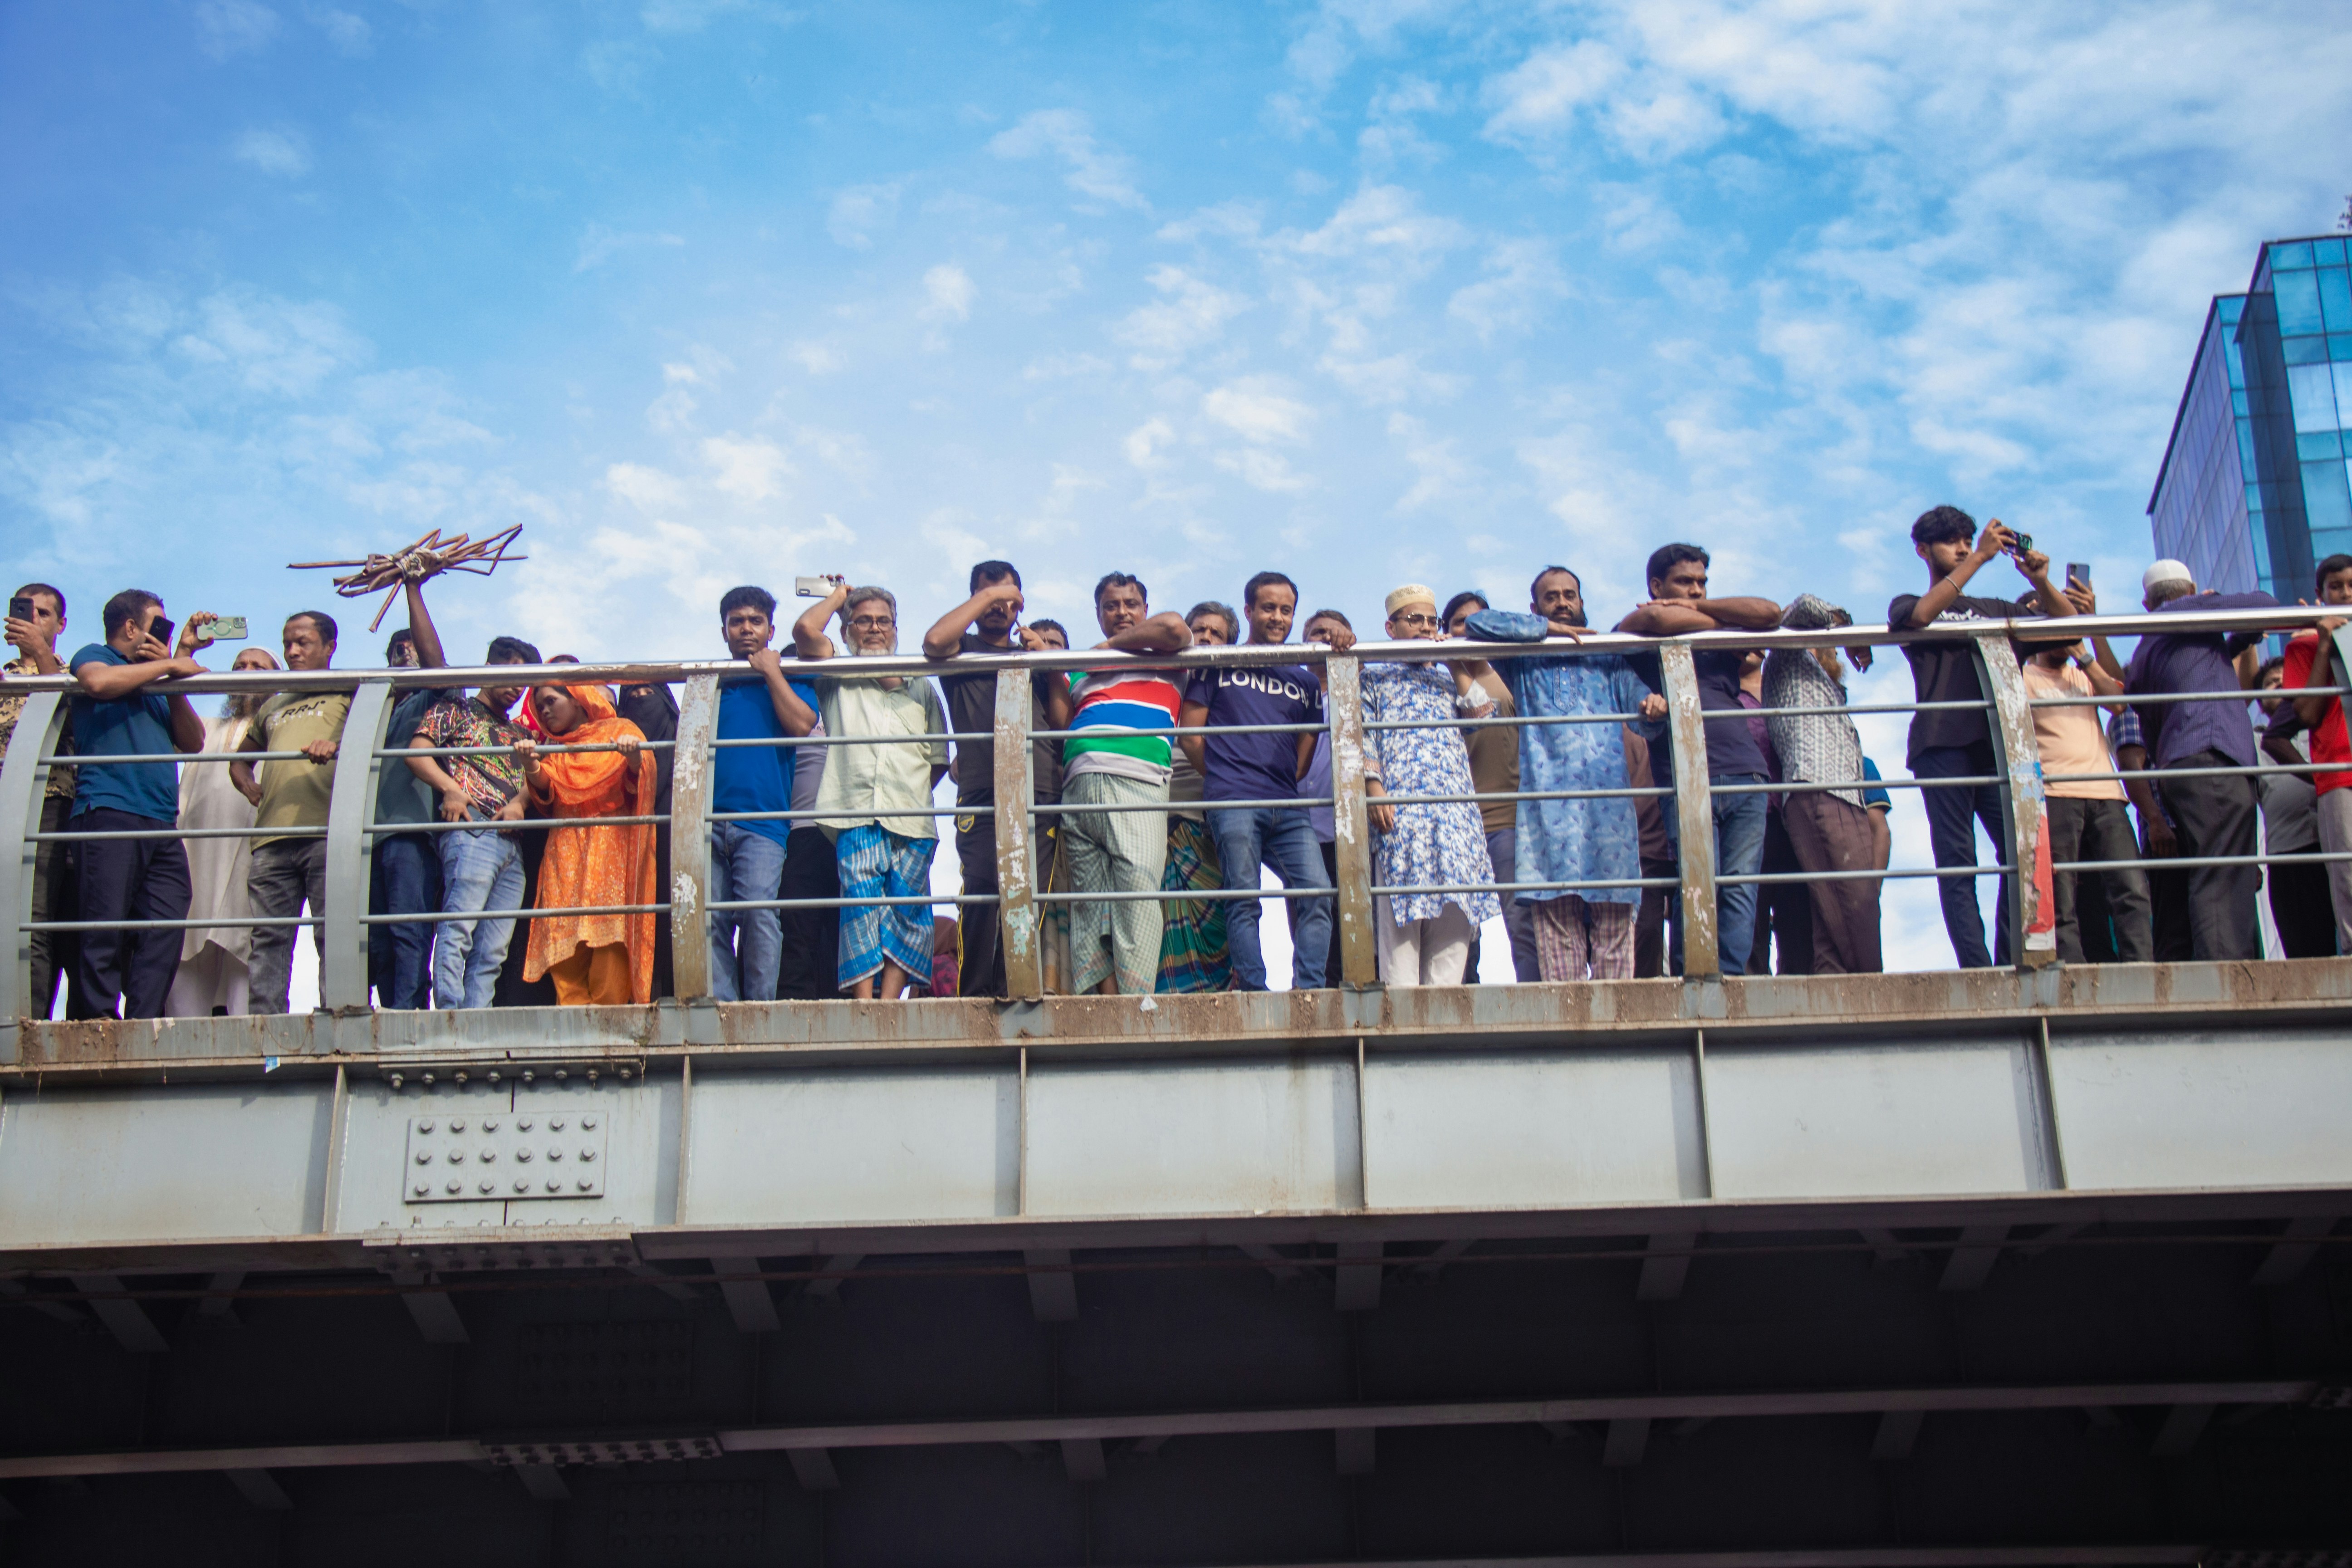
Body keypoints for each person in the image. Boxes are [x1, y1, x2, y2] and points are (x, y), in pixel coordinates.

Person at [1887, 507, 2077, 967]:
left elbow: (2070, 628)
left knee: (2023, 854)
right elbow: (1921, 617)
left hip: (1998, 748)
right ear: (1923, 550)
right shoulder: (1907, 603)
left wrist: (2041, 583)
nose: (1962, 548)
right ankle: (1977, 968)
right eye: (1951, 541)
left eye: (1968, 540)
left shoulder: (1994, 609)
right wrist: (1980, 559)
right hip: (1941, 745)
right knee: (1959, 861)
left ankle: (2010, 958)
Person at [1467, 569, 1665, 981]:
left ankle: (1613, 1025)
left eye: (1570, 595)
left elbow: (1643, 716)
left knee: (1615, 948)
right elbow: (1477, 624)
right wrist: (1547, 631)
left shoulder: (1607, 658)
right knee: (1560, 956)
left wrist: (1652, 707)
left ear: (1582, 601)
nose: (1563, 603)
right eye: (1551, 597)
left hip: (1608, 822)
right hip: (1548, 826)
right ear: (1535, 609)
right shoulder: (1524, 663)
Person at [1617, 544, 1783, 977]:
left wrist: (1699, 609)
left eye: (1702, 583)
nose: (1696, 590)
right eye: (1684, 583)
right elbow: (1657, 621)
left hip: (1746, 771)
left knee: (1741, 887)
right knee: (1697, 883)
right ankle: (1693, 977)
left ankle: (1728, 978)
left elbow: (1770, 613)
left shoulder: (1703, 614)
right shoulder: (1636, 625)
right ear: (1656, 587)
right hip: (1686, 774)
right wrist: (1726, 624)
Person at [1039, 572, 1194, 996]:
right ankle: (1109, 1005)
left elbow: (1174, 626)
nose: (1121, 612)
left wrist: (1109, 648)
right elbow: (1062, 724)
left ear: (1145, 609)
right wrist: (1055, 670)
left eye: (1131, 604)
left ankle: (1137, 1003)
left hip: (1138, 780)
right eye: (1111, 606)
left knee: (1138, 895)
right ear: (1098, 613)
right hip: (1080, 784)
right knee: (1092, 905)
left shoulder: (1168, 654)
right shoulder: (1081, 666)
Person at [795, 583, 949, 1000]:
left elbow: (938, 759)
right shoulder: (837, 675)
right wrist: (837, 597)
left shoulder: (921, 686)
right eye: (863, 621)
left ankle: (888, 1004)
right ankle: (864, 1003)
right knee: (861, 904)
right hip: (855, 810)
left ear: (896, 628)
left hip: (912, 816)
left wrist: (909, 795)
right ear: (847, 630)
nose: (875, 629)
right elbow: (805, 631)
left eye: (883, 621)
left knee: (908, 909)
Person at [2118, 560, 2276, 962]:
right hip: (2212, 756)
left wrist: (2236, 640)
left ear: (2146, 603)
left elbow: (2196, 669)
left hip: (2180, 767)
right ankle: (2227, 971)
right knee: (2223, 873)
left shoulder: (2146, 649)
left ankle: (2222, 965)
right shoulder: (2190, 609)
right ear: (2191, 589)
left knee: (2215, 867)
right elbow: (2265, 603)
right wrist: (2213, 601)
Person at [1181, 573, 1331, 991]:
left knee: (1317, 893)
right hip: (1233, 800)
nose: (1277, 617)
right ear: (1248, 611)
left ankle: (1309, 991)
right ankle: (1253, 990)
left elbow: (1304, 754)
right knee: (1244, 898)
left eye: (1286, 610)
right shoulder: (1218, 664)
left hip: (1287, 804)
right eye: (1268, 608)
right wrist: (1227, 774)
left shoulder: (1305, 682)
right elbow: (1191, 735)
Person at [921, 561, 1064, 999]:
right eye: (990, 596)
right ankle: (975, 995)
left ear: (1022, 603)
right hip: (983, 790)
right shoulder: (961, 649)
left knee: (1030, 892)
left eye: (1009, 597)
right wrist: (991, 595)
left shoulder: (1033, 653)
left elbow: (1061, 722)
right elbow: (933, 642)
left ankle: (1016, 991)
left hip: (1040, 789)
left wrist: (1049, 664)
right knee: (984, 887)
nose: (1000, 606)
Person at [68, 592, 211, 1019]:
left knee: (167, 919)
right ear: (131, 628)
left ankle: (144, 1019)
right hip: (108, 808)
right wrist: (171, 665)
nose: (164, 635)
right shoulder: (98, 655)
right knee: (104, 923)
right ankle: (97, 1020)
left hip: (161, 820)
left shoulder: (155, 678)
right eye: (158, 625)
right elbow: (96, 683)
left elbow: (194, 741)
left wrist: (175, 671)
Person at [1363, 586, 1501, 985]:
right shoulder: (1373, 677)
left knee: (1451, 950)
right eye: (1415, 620)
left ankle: (1441, 1024)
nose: (1426, 628)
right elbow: (1362, 736)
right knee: (1400, 955)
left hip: (1456, 821)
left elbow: (1482, 716)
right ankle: (1401, 1026)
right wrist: (1374, 787)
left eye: (1431, 621)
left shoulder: (1446, 680)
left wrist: (1453, 661)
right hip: (1400, 819)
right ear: (1391, 628)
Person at [404, 639, 538, 1009]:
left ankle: (477, 1018)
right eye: (511, 674)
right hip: (472, 829)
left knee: (493, 947)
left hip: (513, 843)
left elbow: (536, 779)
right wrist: (451, 789)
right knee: (459, 927)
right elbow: (417, 753)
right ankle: (450, 1011)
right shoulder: (456, 708)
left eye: (524, 682)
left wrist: (519, 803)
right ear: (489, 668)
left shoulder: (522, 733)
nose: (516, 688)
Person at [228, 611, 347, 1014]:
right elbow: (239, 760)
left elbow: (373, 746)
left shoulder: (350, 692)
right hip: (271, 838)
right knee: (268, 938)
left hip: (328, 833)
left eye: (303, 643)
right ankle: (265, 1025)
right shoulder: (274, 704)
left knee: (333, 933)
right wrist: (247, 784)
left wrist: (337, 747)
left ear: (329, 647)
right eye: (288, 644)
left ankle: (337, 1016)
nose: (293, 651)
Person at [1761, 595, 1885, 974]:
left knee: (1834, 921)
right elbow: (1803, 607)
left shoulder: (1824, 683)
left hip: (1837, 795)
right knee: (1858, 910)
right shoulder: (1788, 655)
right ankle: (1874, 995)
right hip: (1820, 789)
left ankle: (1842, 992)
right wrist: (1845, 628)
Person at [514, 680, 658, 1004]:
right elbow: (547, 788)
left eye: (551, 701)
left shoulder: (621, 730)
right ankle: (575, 1029)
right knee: (564, 949)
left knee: (610, 943)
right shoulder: (555, 748)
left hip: (610, 850)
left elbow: (641, 782)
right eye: (540, 707)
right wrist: (531, 765)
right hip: (565, 853)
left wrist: (635, 759)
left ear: (578, 699)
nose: (545, 711)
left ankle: (610, 1032)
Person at [710, 586, 818, 1002]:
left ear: (771, 630)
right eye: (736, 622)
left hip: (764, 823)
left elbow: (802, 726)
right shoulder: (713, 682)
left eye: (756, 621)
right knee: (711, 920)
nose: (746, 629)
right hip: (708, 821)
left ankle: (759, 1010)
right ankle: (722, 1006)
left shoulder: (790, 677)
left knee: (759, 913)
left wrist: (772, 671)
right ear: (724, 631)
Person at [2020, 628, 2151, 965]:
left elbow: (2119, 704)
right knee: (2062, 896)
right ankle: (2072, 973)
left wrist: (2083, 654)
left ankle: (2141, 967)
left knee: (2131, 888)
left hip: (2107, 794)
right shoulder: (2024, 676)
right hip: (2056, 794)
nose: (2063, 637)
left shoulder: (2083, 673)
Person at [168, 647, 279, 1016]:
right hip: (198, 857)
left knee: (246, 957)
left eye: (258, 667)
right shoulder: (204, 729)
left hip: (252, 856)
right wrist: (183, 653)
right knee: (186, 952)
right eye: (239, 666)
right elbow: (175, 706)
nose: (246, 672)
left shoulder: (282, 730)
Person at [1443, 590, 1539, 983]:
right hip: (1459, 821)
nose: (1470, 630)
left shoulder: (1511, 672)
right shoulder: (1439, 679)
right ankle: (1464, 1001)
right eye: (1460, 623)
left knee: (1522, 921)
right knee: (1459, 931)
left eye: (1479, 621)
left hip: (1509, 817)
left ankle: (1536, 998)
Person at [371, 580, 453, 1010]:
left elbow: (436, 666)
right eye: (396, 652)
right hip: (365, 838)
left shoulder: (431, 702)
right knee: (376, 940)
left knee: (409, 931)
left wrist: (412, 589)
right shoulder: (375, 709)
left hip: (411, 831)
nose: (405, 656)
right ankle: (389, 1015)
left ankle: (409, 1019)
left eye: (412, 649)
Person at [2, 583, 77, 1017]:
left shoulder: (70, 672)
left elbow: (70, 717)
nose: (32, 621)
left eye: (43, 614)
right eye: (25, 612)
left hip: (48, 802)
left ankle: (28, 1021)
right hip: (3, 805)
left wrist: (41, 655)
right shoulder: (4, 676)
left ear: (61, 624)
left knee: (33, 917)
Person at [1156, 602, 1235, 993]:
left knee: (1217, 914)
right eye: (1199, 629)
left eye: (1216, 633)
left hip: (1209, 821)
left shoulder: (1234, 690)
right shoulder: (1165, 678)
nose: (1206, 637)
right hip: (1157, 816)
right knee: (1161, 917)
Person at [2282, 552, 2352, 951]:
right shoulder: (2305, 647)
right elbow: (2307, 714)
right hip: (2338, 772)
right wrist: (2324, 645)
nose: (2346, 594)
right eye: (2336, 587)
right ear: (2321, 594)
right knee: (2347, 873)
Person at [1284, 609, 1351, 985]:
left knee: (1350, 928)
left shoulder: (1359, 686)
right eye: (1317, 633)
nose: (1326, 638)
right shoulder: (1291, 693)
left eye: (1334, 632)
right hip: (1299, 828)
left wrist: (1350, 652)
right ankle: (1311, 996)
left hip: (1347, 829)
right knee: (1306, 924)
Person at [1737, 650, 1811, 975]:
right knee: (1750, 920)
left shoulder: (1786, 689)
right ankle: (1750, 992)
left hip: (1795, 818)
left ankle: (1799, 992)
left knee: (1798, 919)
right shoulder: (1722, 695)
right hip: (1749, 819)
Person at [2257, 657, 2335, 956]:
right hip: (2290, 856)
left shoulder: (2324, 725)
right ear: (2259, 702)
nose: (2280, 685)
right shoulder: (2254, 741)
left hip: (2334, 846)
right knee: (2307, 952)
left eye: (2286, 679)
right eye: (2271, 683)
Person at [615, 676, 680, 998]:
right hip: (628, 840)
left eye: (649, 692)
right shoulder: (616, 743)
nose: (642, 699)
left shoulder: (683, 738)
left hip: (674, 837)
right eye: (634, 695)